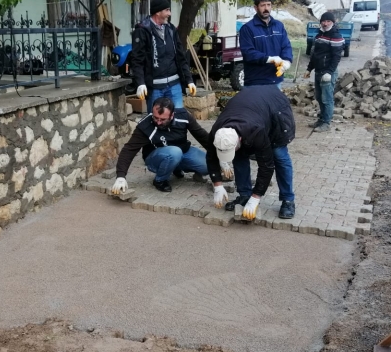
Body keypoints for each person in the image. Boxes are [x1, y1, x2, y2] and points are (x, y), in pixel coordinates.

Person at [207, 85, 296, 220]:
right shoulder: (217, 132)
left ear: (240, 139)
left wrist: (256, 197)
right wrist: (217, 184)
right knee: (239, 155)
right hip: (252, 108)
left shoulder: (256, 132)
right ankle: (244, 194)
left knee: (279, 155)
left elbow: (266, 166)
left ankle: (288, 200)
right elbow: (211, 156)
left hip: (276, 108)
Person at [110, 97, 211, 194]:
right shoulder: (145, 125)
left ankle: (175, 167)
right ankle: (160, 180)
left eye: (163, 119)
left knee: (208, 166)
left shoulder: (184, 115)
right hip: (156, 157)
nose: (158, 122)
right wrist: (121, 177)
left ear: (172, 115)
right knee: (175, 153)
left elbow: (202, 136)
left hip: (182, 151)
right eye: (155, 118)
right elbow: (129, 149)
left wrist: (219, 159)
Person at [131, 0, 197, 113]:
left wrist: (189, 80)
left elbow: (181, 57)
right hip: (155, 88)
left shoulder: (171, 30)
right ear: (157, 12)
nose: (169, 13)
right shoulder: (142, 30)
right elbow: (137, 60)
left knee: (177, 121)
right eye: (167, 10)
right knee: (157, 122)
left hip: (174, 86)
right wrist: (140, 83)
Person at [239, 0, 293, 89]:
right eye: (263, 5)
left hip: (275, 80)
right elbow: (248, 53)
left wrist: (287, 61)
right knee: (256, 105)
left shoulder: (279, 26)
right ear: (256, 8)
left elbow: (286, 46)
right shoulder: (247, 29)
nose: (266, 8)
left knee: (275, 105)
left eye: (268, 5)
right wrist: (270, 59)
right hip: (256, 82)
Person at [303, 12, 344, 133]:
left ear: (333, 22)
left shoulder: (336, 36)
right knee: (319, 97)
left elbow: (336, 57)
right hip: (318, 71)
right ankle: (321, 120)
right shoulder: (319, 35)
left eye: (328, 21)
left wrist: (330, 72)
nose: (325, 23)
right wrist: (309, 69)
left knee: (327, 98)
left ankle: (326, 123)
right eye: (323, 21)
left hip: (327, 72)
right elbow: (314, 55)